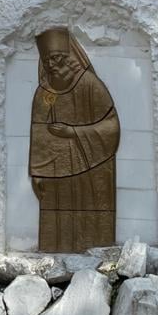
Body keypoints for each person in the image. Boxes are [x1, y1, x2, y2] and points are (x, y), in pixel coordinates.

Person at [29, 28, 120, 252]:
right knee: (58, 226)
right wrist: (37, 172)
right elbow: (39, 132)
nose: (51, 65)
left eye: (56, 59)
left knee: (88, 220)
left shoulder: (89, 84)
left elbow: (112, 126)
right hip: (56, 172)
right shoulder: (44, 93)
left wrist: (74, 132)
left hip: (90, 171)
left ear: (69, 58)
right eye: (47, 60)